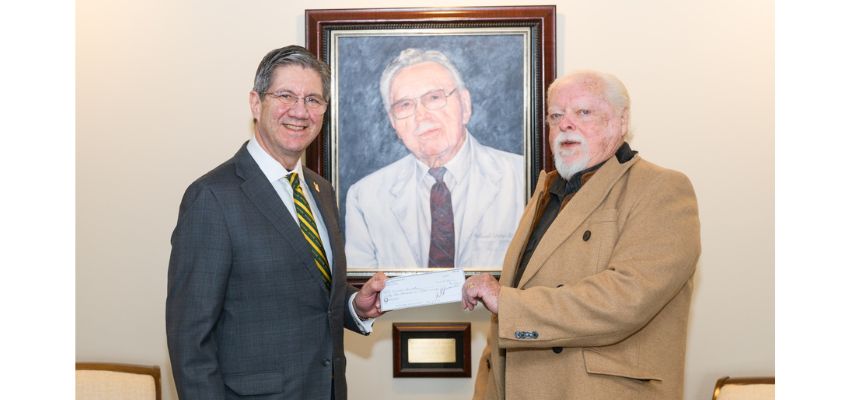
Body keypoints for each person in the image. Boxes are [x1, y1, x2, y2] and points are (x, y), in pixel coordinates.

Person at [461, 70, 701, 400]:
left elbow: (625, 298)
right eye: (556, 116)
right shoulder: (545, 191)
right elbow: (508, 313)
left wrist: (508, 302)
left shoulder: (662, 188)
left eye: (583, 112)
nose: (566, 124)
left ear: (621, 120)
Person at [166, 45, 386, 400]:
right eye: (285, 95)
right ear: (256, 103)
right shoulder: (212, 197)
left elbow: (310, 295)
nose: (300, 111)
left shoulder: (321, 191)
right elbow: (190, 340)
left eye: (313, 100)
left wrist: (353, 305)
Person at [345, 48, 525, 270]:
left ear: (465, 105)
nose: (421, 115)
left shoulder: (524, 179)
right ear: (393, 122)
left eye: (434, 98)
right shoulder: (365, 198)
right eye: (405, 105)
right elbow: (361, 289)